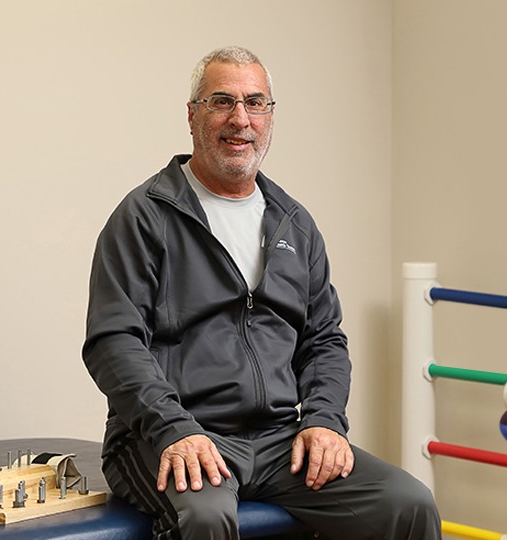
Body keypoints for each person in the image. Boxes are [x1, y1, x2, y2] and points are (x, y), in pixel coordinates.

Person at [82, 46, 440, 540]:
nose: (240, 119)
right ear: (192, 116)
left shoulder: (294, 222)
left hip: (278, 441)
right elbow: (113, 342)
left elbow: (324, 340)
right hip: (166, 435)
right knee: (205, 517)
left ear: (270, 117)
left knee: (408, 503)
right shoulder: (144, 216)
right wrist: (174, 429)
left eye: (255, 103)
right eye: (221, 101)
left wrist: (325, 421)